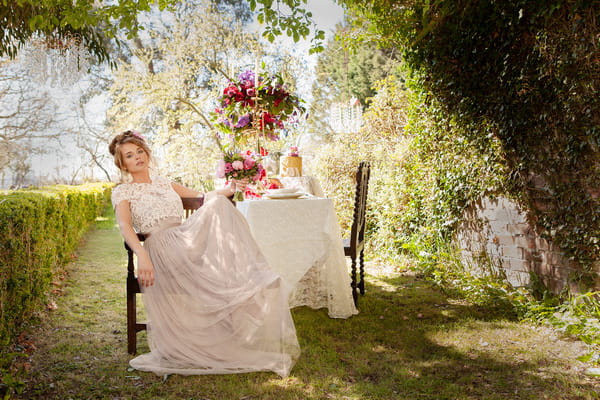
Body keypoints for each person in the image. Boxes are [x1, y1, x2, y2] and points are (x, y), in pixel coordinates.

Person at [108, 130, 300, 377]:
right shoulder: (123, 191)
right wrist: (142, 256)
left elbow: (202, 197)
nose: (137, 157)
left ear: (147, 153)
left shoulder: (165, 183)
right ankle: (247, 284)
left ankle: (247, 279)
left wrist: (230, 188)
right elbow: (125, 226)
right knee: (217, 216)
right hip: (161, 247)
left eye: (140, 151)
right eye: (130, 155)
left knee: (219, 204)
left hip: (184, 238)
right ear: (122, 163)